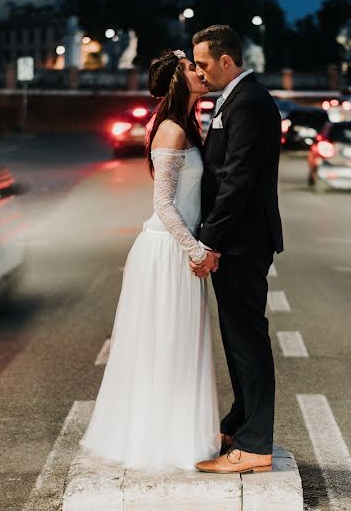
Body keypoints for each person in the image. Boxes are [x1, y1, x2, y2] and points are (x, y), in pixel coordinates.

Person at [79, 50, 221, 471]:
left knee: (179, 348)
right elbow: (163, 203)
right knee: (166, 348)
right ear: (180, 81)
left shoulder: (189, 125)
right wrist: (196, 250)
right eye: (193, 68)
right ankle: (159, 441)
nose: (201, 71)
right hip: (166, 251)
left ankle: (178, 433)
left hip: (178, 250)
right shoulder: (172, 131)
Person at [191, 25, 285, 475]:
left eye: (204, 63)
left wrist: (209, 238)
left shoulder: (249, 102)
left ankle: (254, 444)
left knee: (247, 338)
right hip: (241, 237)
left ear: (227, 59)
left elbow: (239, 179)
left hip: (244, 240)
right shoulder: (236, 98)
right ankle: (240, 422)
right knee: (237, 336)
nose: (199, 71)